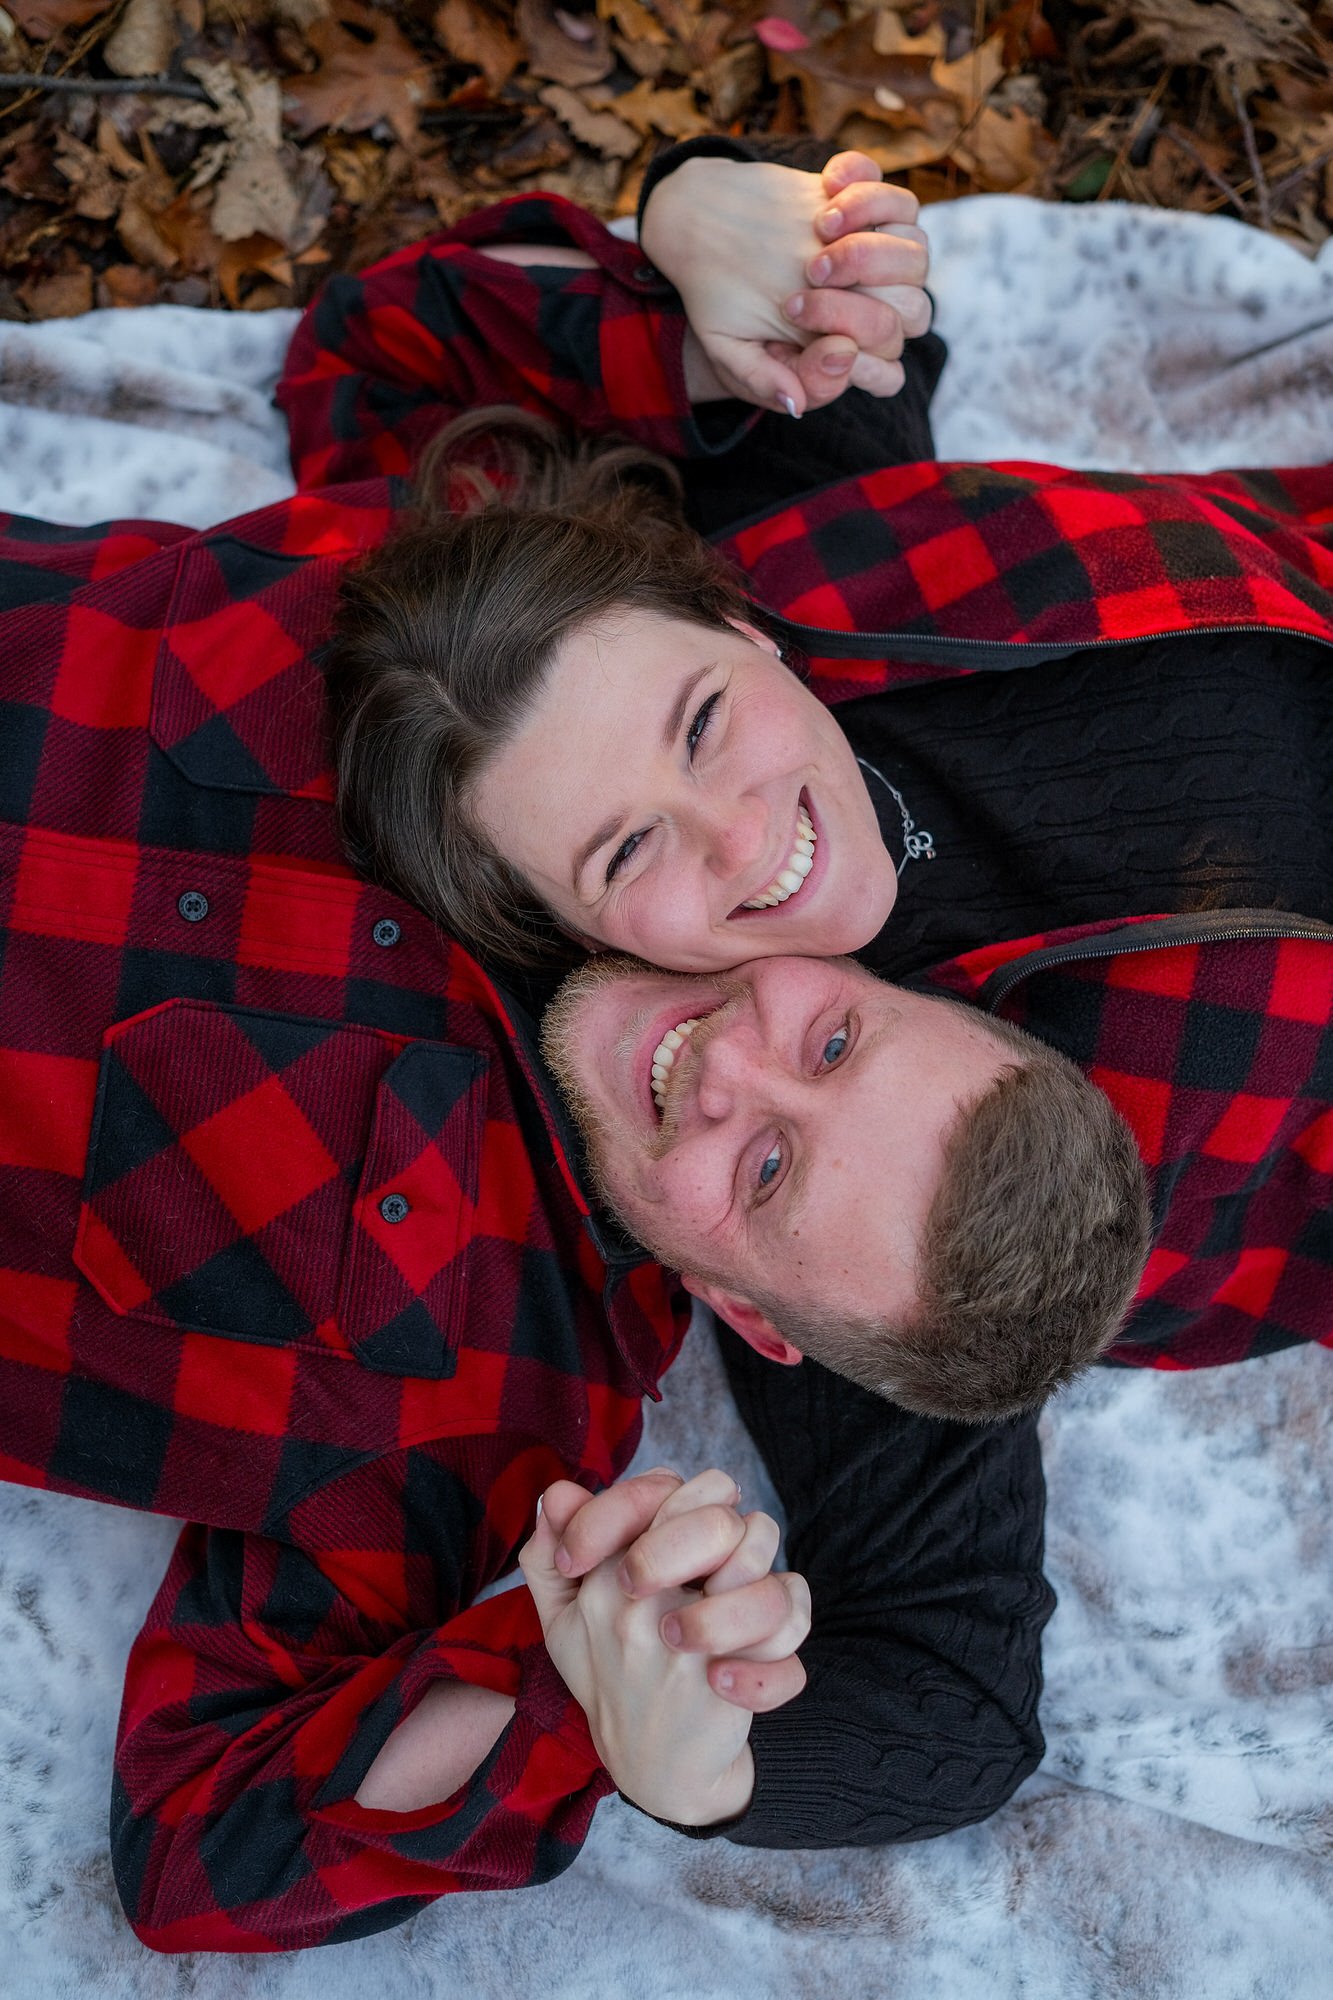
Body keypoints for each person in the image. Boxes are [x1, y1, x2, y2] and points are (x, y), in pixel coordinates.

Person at [0, 151, 1057, 1953]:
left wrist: (603, 1716)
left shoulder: (488, 1408)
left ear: (752, 1317)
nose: (734, 1059)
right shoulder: (557, 671)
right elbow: (380, 348)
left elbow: (205, 1843)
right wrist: (678, 239)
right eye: (832, 1027)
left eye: (771, 1166)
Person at [309, 145, 1333, 995]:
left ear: (738, 625)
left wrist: (691, 208)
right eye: (624, 851)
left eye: (703, 721)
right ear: (574, 935)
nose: (740, 834)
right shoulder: (791, 1123)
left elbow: (371, 353)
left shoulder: (810, 539)